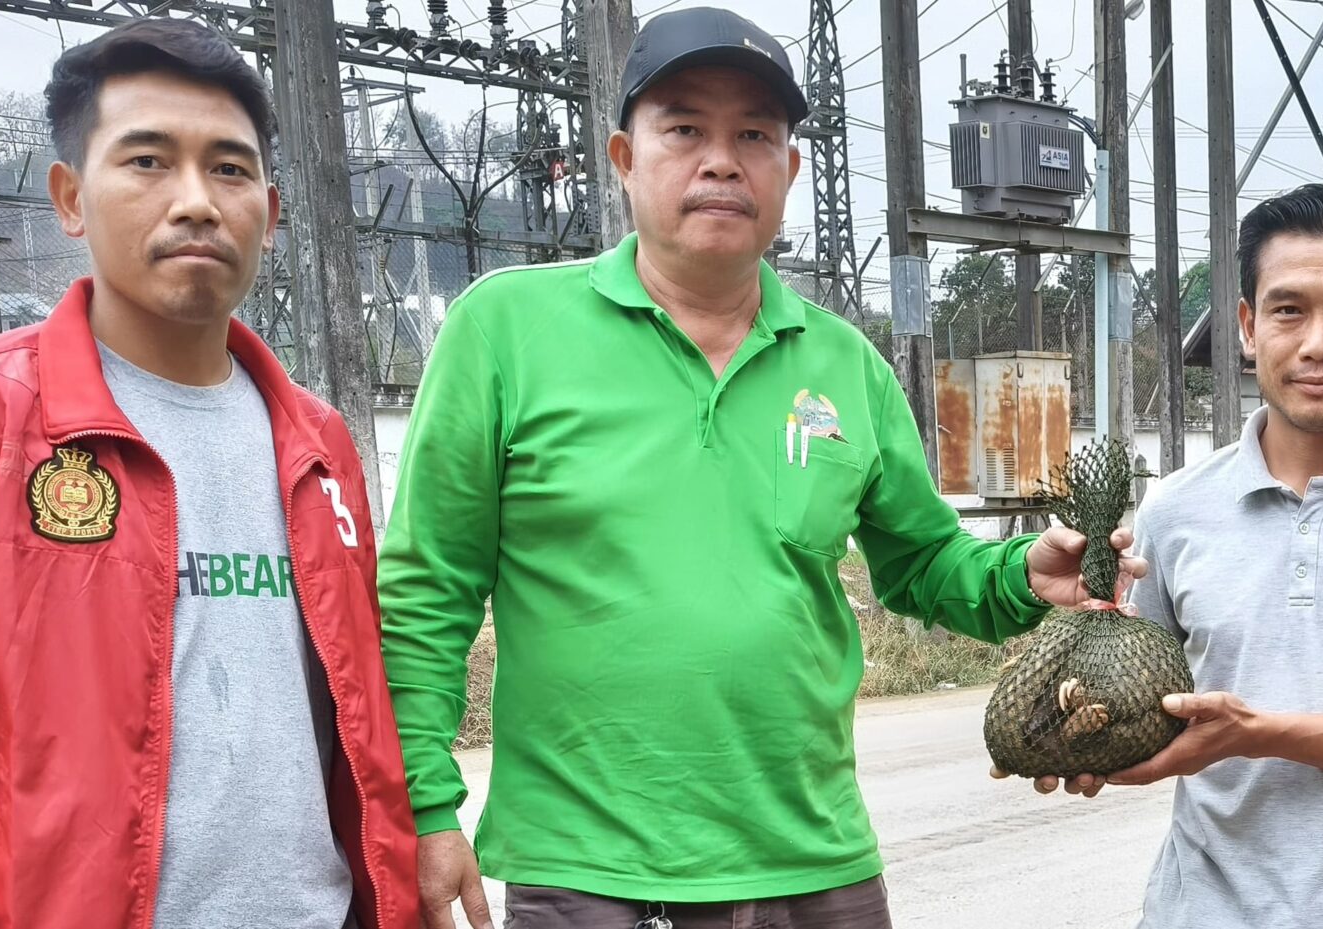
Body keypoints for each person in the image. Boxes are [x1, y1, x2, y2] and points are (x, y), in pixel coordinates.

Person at [378, 9, 1134, 929]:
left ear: (791, 168)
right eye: (685, 127)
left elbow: (925, 563)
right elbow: (426, 591)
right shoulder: (505, 331)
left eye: (754, 135)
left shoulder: (844, 364)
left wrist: (1024, 570)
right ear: (623, 156)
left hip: (817, 862)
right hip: (595, 875)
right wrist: (424, 808)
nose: (721, 159)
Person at [0, 17, 419, 929]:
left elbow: (355, 727)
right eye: (147, 161)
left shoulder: (319, 442)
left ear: (269, 201)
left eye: (228, 168)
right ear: (70, 197)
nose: (196, 201)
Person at [1028, 183, 1323, 928]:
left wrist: (1262, 734)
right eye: (1289, 309)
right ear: (1250, 327)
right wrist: (1061, 717)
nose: (1319, 341)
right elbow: (1145, 701)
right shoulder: (1175, 507)